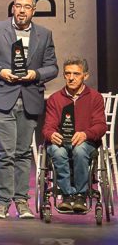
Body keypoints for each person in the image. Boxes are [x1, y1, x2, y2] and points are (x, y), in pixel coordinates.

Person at [0, 0, 57, 219]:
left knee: (22, 154)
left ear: (33, 10)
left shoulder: (44, 34)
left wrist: (35, 73)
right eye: (18, 6)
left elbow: (53, 67)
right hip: (3, 98)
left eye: (27, 7)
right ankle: (2, 203)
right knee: (6, 153)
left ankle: (22, 201)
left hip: (30, 99)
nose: (22, 10)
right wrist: (1, 71)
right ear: (13, 8)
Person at [42, 58, 106, 213]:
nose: (71, 77)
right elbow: (47, 127)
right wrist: (51, 134)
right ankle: (67, 195)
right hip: (61, 142)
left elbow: (101, 126)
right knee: (58, 151)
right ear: (64, 75)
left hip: (85, 142)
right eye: (68, 73)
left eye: (76, 74)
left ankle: (80, 195)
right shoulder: (55, 98)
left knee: (80, 150)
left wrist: (86, 134)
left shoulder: (95, 97)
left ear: (85, 75)